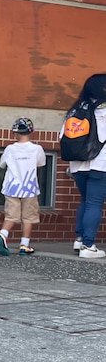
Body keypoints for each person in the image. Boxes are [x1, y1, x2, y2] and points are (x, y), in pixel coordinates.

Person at [0, 117, 46, 256]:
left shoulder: (10, 149)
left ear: (15, 133)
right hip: (29, 188)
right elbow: (41, 163)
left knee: (11, 216)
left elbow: (1, 165)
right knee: (28, 218)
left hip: (11, 188)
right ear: (31, 131)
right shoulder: (37, 149)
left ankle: (2, 234)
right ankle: (24, 245)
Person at [67, 103, 106, 258]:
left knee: (85, 200)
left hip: (77, 165)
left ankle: (79, 239)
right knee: (94, 203)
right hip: (100, 164)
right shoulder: (103, 112)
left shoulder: (75, 111)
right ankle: (88, 246)